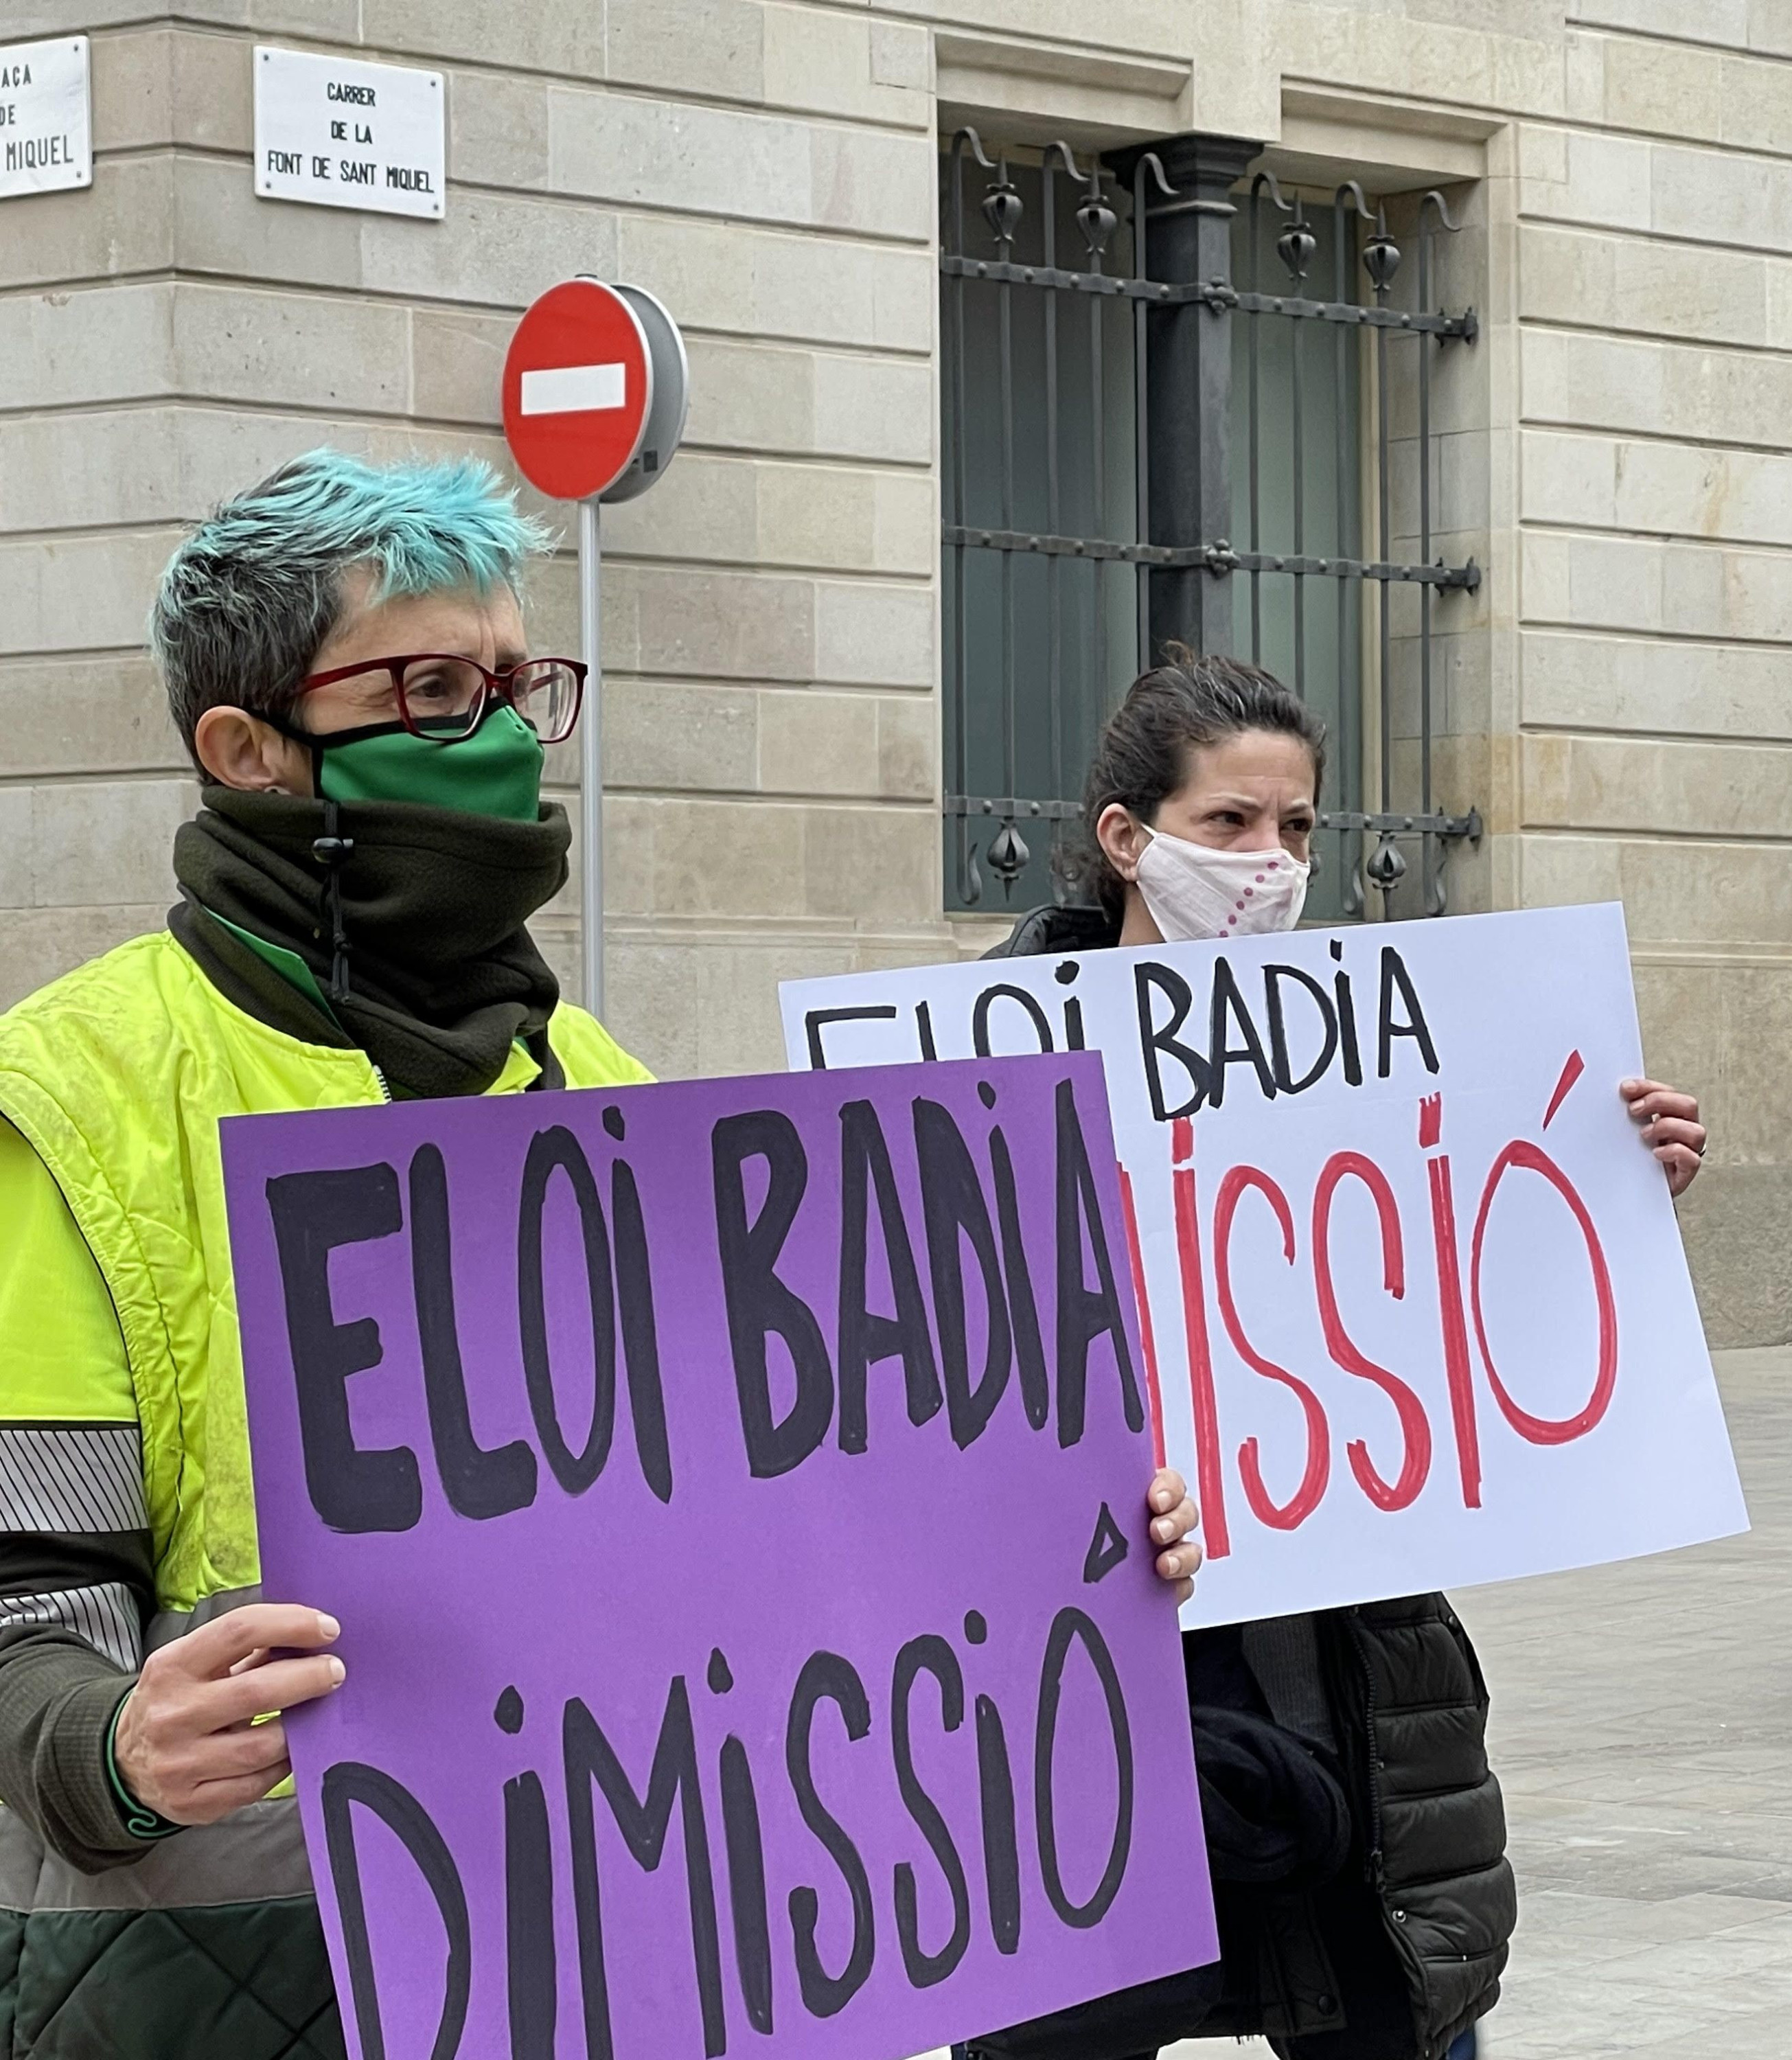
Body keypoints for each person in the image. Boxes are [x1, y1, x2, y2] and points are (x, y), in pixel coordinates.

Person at [0, 452, 1205, 2057]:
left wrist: (1053, 1516)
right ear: (249, 749)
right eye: (433, 688)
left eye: (516, 681)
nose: (501, 732)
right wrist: (113, 1753)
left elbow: (783, 1529)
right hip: (232, 1974)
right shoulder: (71, 1100)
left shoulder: (611, 1088)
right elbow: (24, 1611)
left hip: (601, 1962)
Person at [965, 650, 1708, 2060]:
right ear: (1125, 838)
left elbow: (1473, 1296)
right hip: (1080, 1673)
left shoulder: (1383, 1059)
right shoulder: (969, 1068)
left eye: (1296, 827)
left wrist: (1609, 1187)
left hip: (1335, 1669)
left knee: (1384, 2012)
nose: (1268, 860)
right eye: (1228, 824)